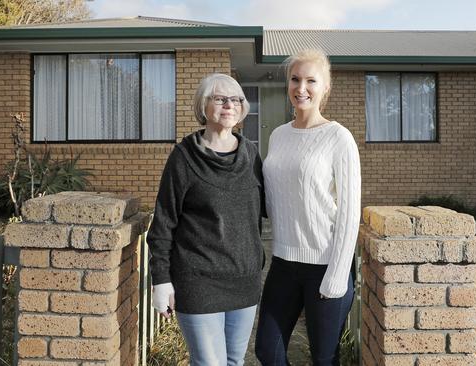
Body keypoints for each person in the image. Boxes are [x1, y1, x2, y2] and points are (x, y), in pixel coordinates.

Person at [147, 73, 265, 366]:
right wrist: (161, 280)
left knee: (234, 362)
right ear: (204, 105)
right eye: (220, 98)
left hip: (244, 281)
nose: (230, 104)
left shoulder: (251, 154)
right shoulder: (183, 157)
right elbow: (163, 222)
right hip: (198, 281)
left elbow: (269, 208)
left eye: (236, 99)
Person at [255, 48, 361, 365]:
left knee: (324, 359)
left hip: (326, 265)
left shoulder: (338, 137)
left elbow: (349, 211)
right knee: (267, 350)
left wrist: (338, 274)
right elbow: (273, 198)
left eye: (311, 81)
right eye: (295, 79)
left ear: (325, 87)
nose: (302, 88)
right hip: (284, 262)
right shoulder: (277, 136)